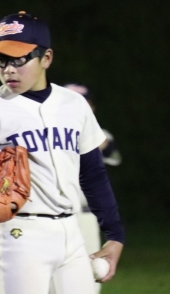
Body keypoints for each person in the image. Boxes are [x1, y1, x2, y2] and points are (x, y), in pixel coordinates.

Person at [0, 11, 125, 294]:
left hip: (72, 232)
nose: (8, 69)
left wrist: (115, 235)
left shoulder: (74, 104)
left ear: (46, 58)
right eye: (1, 59)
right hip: (17, 235)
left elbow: (93, 173)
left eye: (19, 59)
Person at [52, 83, 123, 294]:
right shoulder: (44, 133)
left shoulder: (99, 134)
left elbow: (112, 153)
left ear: (91, 106)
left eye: (84, 102)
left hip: (85, 216)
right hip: (50, 216)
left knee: (89, 276)